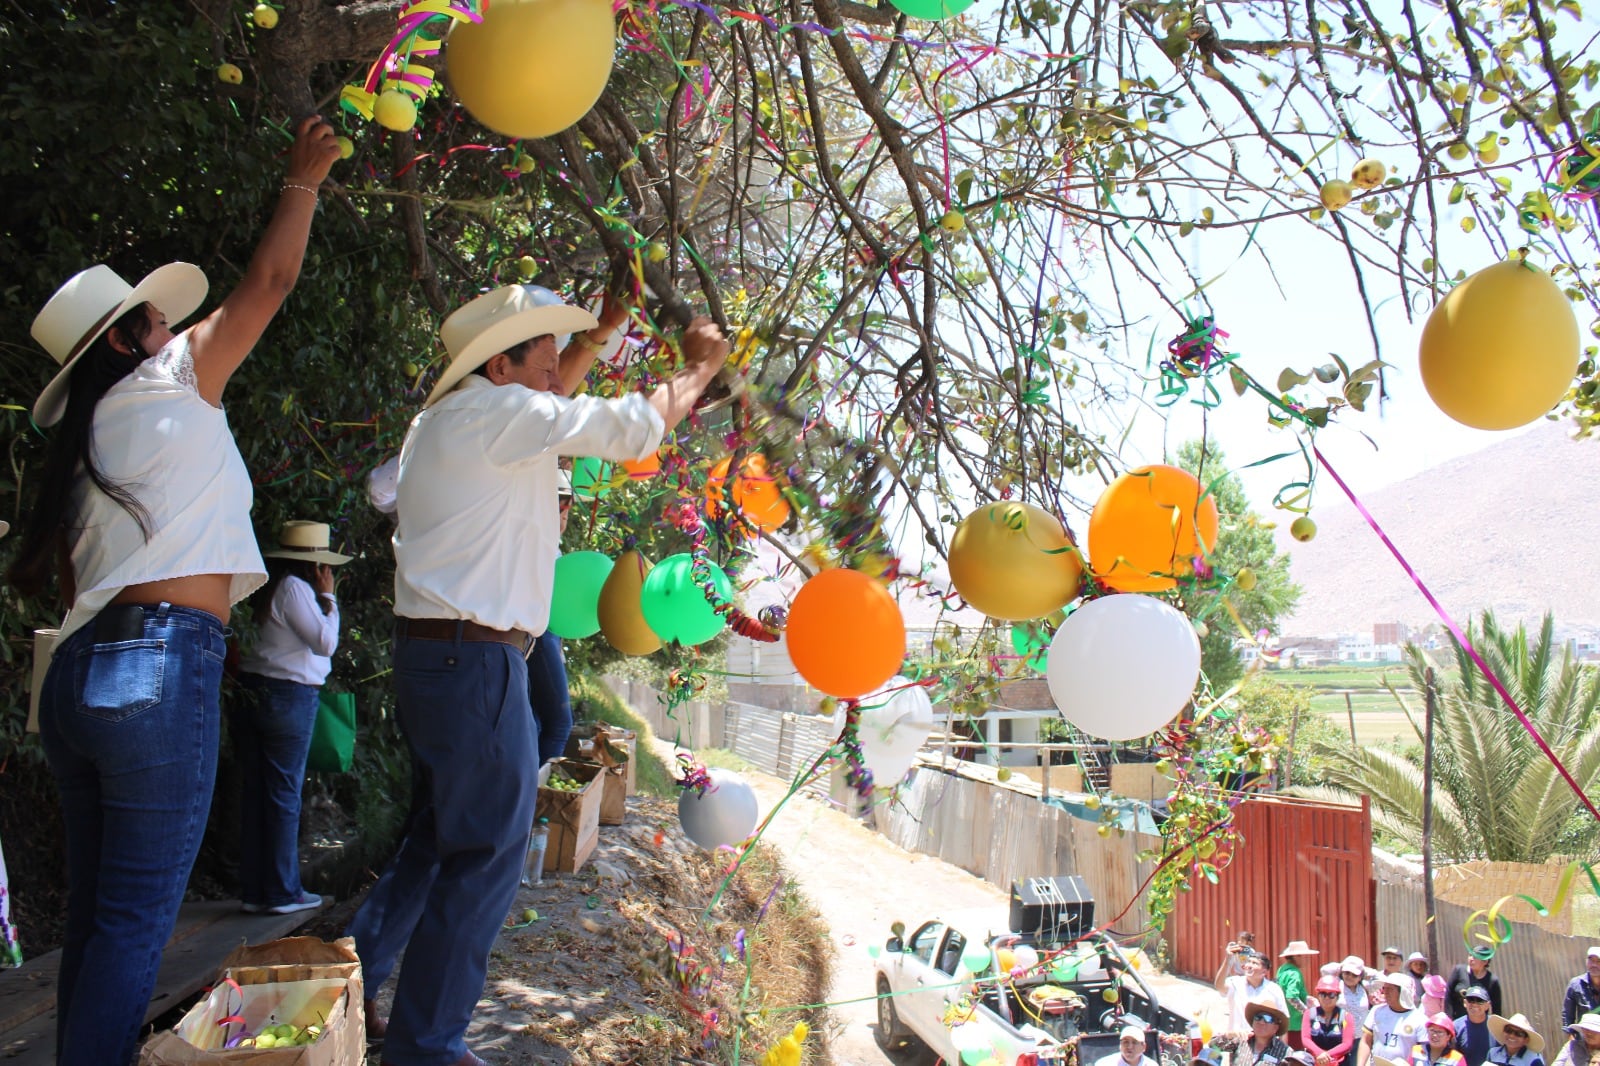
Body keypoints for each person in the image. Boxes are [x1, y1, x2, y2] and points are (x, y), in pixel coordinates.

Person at [7, 116, 340, 1066]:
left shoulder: (80, 446)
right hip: (160, 667)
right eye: (152, 317)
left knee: (101, 920)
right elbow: (267, 286)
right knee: (133, 923)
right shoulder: (166, 378)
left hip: (79, 676)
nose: (170, 325)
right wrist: (305, 181)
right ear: (128, 340)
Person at [345, 283, 729, 1066]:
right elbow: (624, 428)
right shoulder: (493, 416)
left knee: (449, 844)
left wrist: (606, 330)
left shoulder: (451, 421)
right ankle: (426, 1046)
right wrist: (696, 371)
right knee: (485, 858)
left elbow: (556, 398)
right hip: (475, 663)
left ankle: (388, 1006)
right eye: (546, 360)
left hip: (443, 658)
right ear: (501, 363)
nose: (560, 376)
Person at [232, 519, 351, 915]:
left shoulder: (267, 587)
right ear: (315, 566)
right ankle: (283, 892)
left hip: (253, 692)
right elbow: (326, 643)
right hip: (287, 695)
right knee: (283, 795)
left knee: (257, 792)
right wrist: (329, 598)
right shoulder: (297, 589)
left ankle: (255, 889)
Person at [527, 471, 577, 773]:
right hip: (538, 629)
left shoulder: (545, 541)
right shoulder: (541, 542)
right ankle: (538, 801)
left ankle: (530, 802)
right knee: (559, 722)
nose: (565, 517)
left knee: (533, 718)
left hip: (541, 630)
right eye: (563, 508)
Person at [1360, 973, 1426, 1066]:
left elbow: (1422, 1054)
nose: (1385, 992)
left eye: (1390, 989)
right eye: (1384, 988)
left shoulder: (1420, 1020)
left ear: (1403, 992)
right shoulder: (1376, 1011)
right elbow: (1366, 1041)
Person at [1220, 950, 1290, 1033]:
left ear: (1264, 971)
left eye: (1254, 963)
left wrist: (1283, 1045)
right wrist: (1228, 960)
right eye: (1248, 962)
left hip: (1263, 1042)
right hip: (1237, 1039)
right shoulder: (1234, 983)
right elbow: (1219, 986)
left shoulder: (1274, 989)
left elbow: (1283, 1018)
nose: (1249, 965)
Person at [1304, 975, 1358, 1066]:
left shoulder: (1346, 1017)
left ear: (1337, 996)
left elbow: (1347, 1043)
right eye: (1323, 994)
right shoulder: (1309, 1014)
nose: (1327, 998)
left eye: (1331, 994)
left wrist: (1327, 1055)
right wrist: (1319, 1053)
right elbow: (1306, 1039)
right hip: (1315, 1062)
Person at [1280, 941, 1321, 1042]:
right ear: (1296, 956)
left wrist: (1305, 998)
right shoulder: (1294, 974)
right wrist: (1306, 1012)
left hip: (1284, 1023)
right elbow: (1291, 997)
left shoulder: (1282, 970)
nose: (1307, 959)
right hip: (1295, 1024)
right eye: (1305, 956)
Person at [1238, 1002, 1293, 1066]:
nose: (1261, 1022)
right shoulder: (1240, 1041)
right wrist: (1229, 1035)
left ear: (1276, 1027)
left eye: (1268, 1019)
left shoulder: (1285, 1051)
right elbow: (1223, 1044)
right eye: (1258, 1017)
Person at [1454, 987, 1495, 1066]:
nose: (1474, 1004)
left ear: (1487, 1005)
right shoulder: (1456, 1027)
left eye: (1479, 1001)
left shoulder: (1496, 1025)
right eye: (1471, 1000)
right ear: (1465, 1003)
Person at [1338, 956, 1377, 1041]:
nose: (1350, 977)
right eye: (1347, 973)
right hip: (1340, 1037)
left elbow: (1382, 980)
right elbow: (1324, 969)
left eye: (1354, 975)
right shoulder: (1337, 986)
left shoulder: (1364, 987)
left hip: (1360, 1037)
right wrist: (1342, 966)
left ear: (1360, 977)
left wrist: (1364, 970)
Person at [1563, 949, 1600, 1027]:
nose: (1594, 965)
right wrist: (1571, 1036)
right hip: (1584, 1036)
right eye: (1591, 961)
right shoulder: (1576, 984)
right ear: (1586, 961)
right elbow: (1567, 1016)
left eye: (1598, 962)